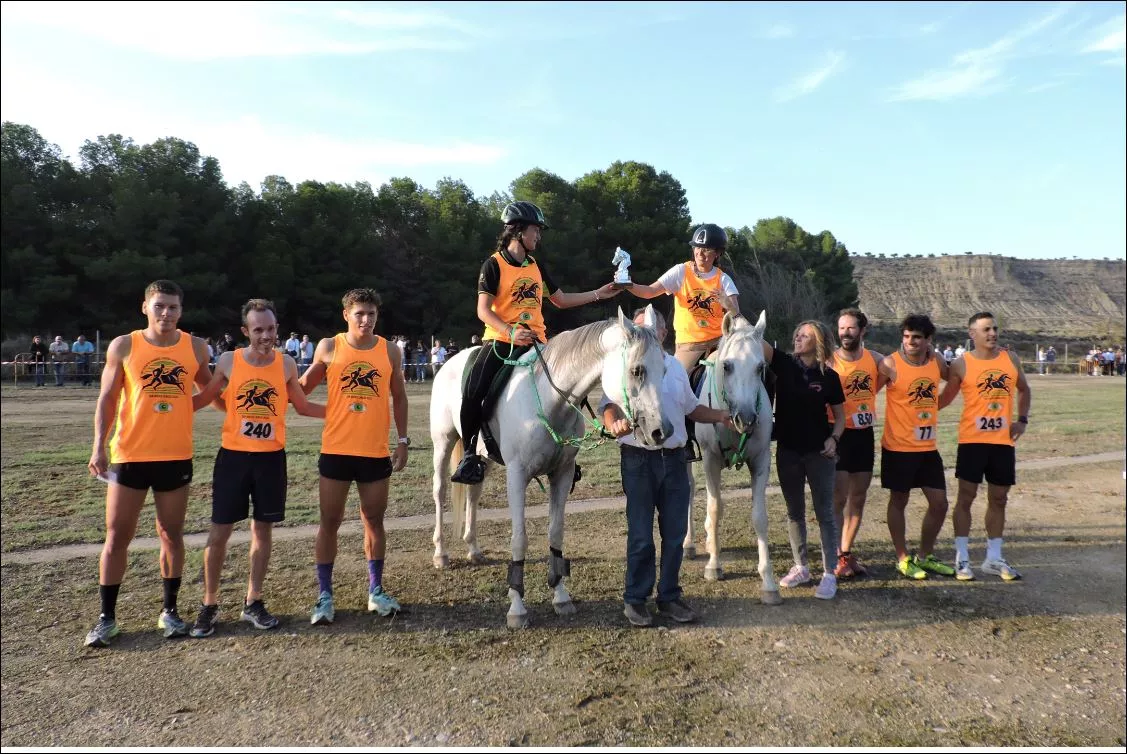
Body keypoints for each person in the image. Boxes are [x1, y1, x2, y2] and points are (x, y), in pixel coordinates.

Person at [449, 201, 621, 484]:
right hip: (502, 341)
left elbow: (560, 299)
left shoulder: (535, 267)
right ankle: (470, 454)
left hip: (538, 342)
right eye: (535, 230)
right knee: (472, 390)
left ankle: (564, 452)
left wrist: (599, 294)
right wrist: (510, 331)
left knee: (568, 388)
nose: (538, 236)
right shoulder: (494, 264)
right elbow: (483, 310)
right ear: (517, 231)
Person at [84, 280, 215, 648]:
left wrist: (186, 407)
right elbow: (108, 399)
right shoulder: (125, 345)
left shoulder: (195, 347)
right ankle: (106, 619)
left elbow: (211, 390)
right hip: (129, 455)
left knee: (171, 535)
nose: (166, 313)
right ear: (145, 307)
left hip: (175, 456)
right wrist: (99, 446)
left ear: (181, 310)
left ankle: (170, 612)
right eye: (159, 306)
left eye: (173, 307)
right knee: (117, 537)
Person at [187, 300, 327, 637]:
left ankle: (254, 601)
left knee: (262, 531)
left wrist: (345, 413)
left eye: (271, 328)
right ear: (246, 331)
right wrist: (161, 410)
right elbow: (206, 398)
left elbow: (303, 406)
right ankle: (208, 605)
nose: (266, 335)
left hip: (270, 459)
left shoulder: (287, 364)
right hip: (233, 459)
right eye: (259, 329)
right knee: (220, 531)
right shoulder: (228, 361)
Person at [601, 308, 735, 627]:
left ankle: (669, 597)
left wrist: (720, 416)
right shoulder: (624, 363)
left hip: (675, 459)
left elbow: (691, 408)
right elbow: (607, 403)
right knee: (641, 535)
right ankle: (635, 600)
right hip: (638, 460)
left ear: (663, 333)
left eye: (649, 328)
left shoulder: (674, 366)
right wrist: (613, 424)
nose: (643, 333)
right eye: (637, 328)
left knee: (675, 534)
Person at [299, 288, 409, 624]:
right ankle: (324, 596)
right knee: (329, 523)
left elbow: (400, 398)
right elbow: (301, 389)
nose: (366, 320)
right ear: (346, 315)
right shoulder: (330, 347)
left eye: (371, 314)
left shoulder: (389, 351)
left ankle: (375, 591)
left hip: (374, 453)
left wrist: (403, 440)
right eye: (359, 313)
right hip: (336, 451)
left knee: (374, 522)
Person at [938, 312, 1031, 581]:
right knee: (965, 498)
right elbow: (944, 399)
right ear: (972, 334)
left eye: (994, 328)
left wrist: (1022, 420)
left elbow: (1024, 389)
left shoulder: (1010, 358)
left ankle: (993, 557)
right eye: (986, 329)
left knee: (999, 499)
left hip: (1002, 442)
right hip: (972, 441)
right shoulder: (960, 364)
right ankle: (962, 558)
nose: (992, 333)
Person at [758, 321, 845, 600]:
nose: (797, 337)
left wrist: (834, 439)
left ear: (818, 341)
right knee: (794, 511)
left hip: (819, 453)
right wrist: (733, 310)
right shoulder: (782, 363)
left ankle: (829, 573)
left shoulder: (830, 377)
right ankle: (801, 567)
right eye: (797, 333)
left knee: (824, 513)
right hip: (788, 452)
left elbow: (841, 418)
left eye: (805, 335)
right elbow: (752, 337)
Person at [877, 314, 956, 580]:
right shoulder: (890, 364)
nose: (911, 341)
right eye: (907, 336)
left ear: (928, 340)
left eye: (917, 337)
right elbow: (866, 393)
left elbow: (954, 377)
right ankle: (902, 558)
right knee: (899, 500)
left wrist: (941, 403)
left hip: (927, 449)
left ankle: (925, 555)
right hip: (898, 448)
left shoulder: (936, 362)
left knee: (940, 504)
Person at [625, 224, 740, 376]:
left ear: (718, 253)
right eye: (697, 248)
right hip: (689, 344)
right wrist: (628, 284)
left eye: (706, 249)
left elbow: (737, 314)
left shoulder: (724, 279)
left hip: (720, 342)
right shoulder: (680, 271)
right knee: (671, 381)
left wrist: (728, 304)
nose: (700, 253)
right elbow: (650, 292)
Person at [829, 309, 886, 579]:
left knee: (858, 498)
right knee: (838, 498)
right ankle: (835, 554)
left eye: (851, 328)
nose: (845, 333)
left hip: (864, 434)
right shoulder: (829, 361)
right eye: (841, 328)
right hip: (838, 434)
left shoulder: (875, 360)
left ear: (863, 330)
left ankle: (846, 553)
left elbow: (898, 371)